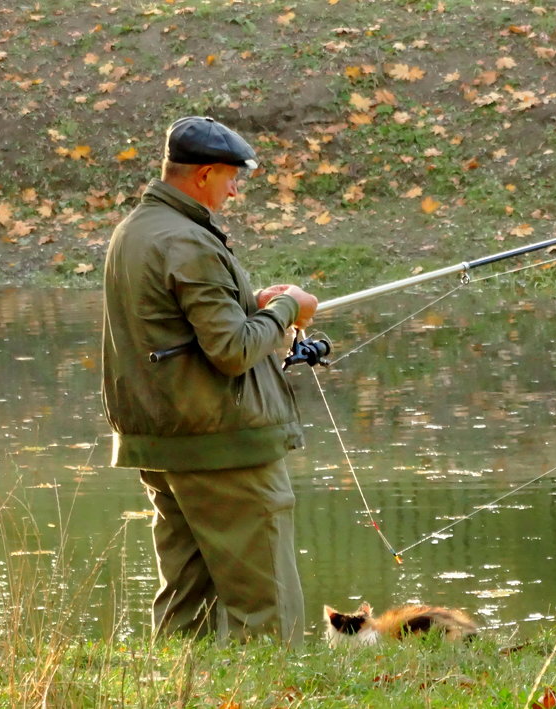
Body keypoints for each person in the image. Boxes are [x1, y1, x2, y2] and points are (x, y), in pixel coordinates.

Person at [101, 116, 317, 645]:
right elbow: (232, 349)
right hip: (222, 446)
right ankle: (272, 697)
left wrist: (254, 307)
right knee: (264, 609)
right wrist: (290, 306)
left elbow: (189, 328)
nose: (236, 188)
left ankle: (178, 692)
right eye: (231, 176)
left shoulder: (136, 229)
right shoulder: (187, 240)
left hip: (164, 441)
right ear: (203, 176)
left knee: (185, 601)